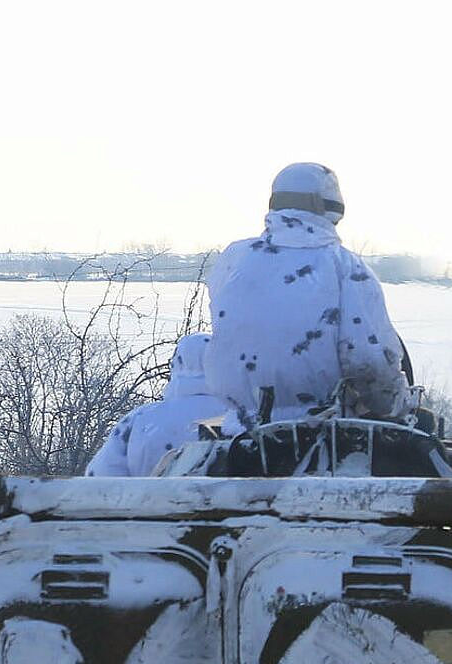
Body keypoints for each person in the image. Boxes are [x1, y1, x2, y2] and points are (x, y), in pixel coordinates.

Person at [203, 163, 410, 423]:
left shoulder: (235, 258)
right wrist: (394, 404)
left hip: (238, 427)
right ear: (333, 207)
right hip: (319, 432)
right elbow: (368, 361)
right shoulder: (346, 267)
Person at [85, 333, 229, 477]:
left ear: (176, 363)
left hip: (147, 499)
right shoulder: (240, 420)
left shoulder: (139, 419)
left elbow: (100, 476)